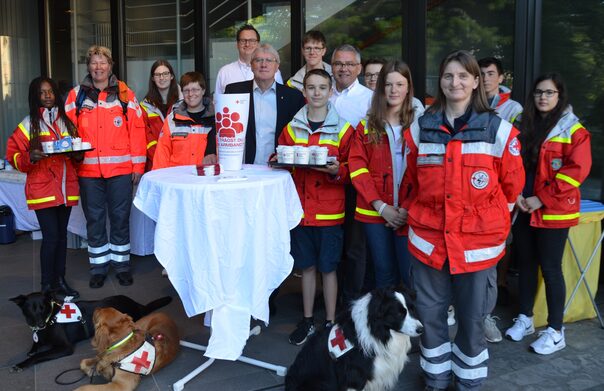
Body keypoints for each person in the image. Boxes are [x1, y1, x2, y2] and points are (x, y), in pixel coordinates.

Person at [400, 50, 524, 390]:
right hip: (429, 243)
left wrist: (493, 222)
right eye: (448, 76)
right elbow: (410, 181)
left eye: (463, 76)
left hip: (476, 246)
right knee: (430, 317)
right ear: (440, 82)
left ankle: (468, 382)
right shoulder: (420, 128)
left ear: (475, 81)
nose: (455, 82)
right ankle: (436, 378)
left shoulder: (499, 131)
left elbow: (512, 188)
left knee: (471, 320)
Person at [505, 73, 591, 355]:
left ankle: (556, 331)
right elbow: (509, 161)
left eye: (549, 93)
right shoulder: (521, 122)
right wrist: (515, 194)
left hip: (553, 210)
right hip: (522, 207)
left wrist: (540, 199)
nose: (543, 97)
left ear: (559, 96)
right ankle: (526, 319)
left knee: (551, 269)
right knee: (526, 264)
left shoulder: (574, 129)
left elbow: (576, 171)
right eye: (539, 92)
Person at [276, 69, 354, 345]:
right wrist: (278, 159)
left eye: (322, 88)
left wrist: (337, 171)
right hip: (301, 211)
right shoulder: (291, 127)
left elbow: (352, 168)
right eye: (311, 88)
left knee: (328, 268)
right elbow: (279, 156)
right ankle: (308, 320)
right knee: (306, 267)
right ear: (304, 92)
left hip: (330, 213)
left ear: (330, 91)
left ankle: (331, 322)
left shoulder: (344, 128)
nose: (317, 93)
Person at [65, 45, 146, 289]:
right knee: (95, 219)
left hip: (121, 171)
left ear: (110, 66)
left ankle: (121, 265)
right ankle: (98, 267)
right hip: (88, 171)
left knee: (121, 218)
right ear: (88, 66)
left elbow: (137, 131)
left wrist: (138, 166)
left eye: (103, 62)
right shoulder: (76, 95)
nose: (98, 67)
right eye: (94, 62)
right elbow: (67, 132)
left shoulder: (124, 94)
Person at [349, 60, 423, 288]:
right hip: (374, 212)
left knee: (410, 274)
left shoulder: (420, 124)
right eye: (388, 85)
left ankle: (414, 323)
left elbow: (426, 171)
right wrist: (382, 207)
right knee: (383, 273)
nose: (394, 90)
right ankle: (387, 323)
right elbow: (358, 169)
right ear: (381, 88)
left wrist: (405, 209)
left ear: (409, 87)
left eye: (400, 84)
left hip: (409, 212)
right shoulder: (366, 126)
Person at [6, 76, 81, 298]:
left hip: (65, 189)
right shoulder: (28, 124)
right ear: (35, 97)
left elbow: (77, 150)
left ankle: (60, 280)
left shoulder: (66, 122)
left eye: (50, 91)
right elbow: (13, 155)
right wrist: (30, 157)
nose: (47, 96)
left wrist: (77, 155)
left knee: (61, 238)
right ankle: (47, 285)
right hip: (42, 190)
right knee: (51, 237)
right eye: (42, 92)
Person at [477, 56, 525, 343]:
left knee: (494, 259)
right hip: (471, 196)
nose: (484, 78)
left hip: (498, 195)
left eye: (490, 73)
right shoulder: (467, 103)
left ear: (501, 76)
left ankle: (486, 314)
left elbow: (515, 153)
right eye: (480, 73)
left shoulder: (513, 109)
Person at [329, 44, 374, 305]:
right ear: (331, 67)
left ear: (359, 68)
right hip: (326, 180)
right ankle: (332, 300)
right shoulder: (322, 94)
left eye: (349, 64)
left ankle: (353, 302)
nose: (343, 68)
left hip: (356, 181)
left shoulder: (369, 99)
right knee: (333, 246)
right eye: (338, 63)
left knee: (356, 247)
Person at [224, 44, 305, 164]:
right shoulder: (234, 91)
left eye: (269, 60)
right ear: (251, 65)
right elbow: (220, 126)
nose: (263, 65)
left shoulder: (293, 97)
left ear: (277, 66)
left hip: (278, 167)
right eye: (258, 60)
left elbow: (299, 134)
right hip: (242, 166)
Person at [152, 71, 216, 169]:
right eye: (186, 90)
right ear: (182, 92)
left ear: (203, 91)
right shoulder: (172, 119)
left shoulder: (216, 119)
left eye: (195, 90)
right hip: (177, 179)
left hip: (205, 178)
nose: (190, 94)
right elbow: (162, 153)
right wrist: (158, 178)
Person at [215, 24, 283, 94]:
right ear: (237, 44)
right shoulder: (224, 72)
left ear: (258, 44)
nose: (247, 44)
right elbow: (218, 102)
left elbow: (279, 97)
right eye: (243, 40)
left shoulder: (271, 71)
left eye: (252, 40)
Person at [140, 59, 181, 172]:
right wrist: (161, 160)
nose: (162, 78)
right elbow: (146, 140)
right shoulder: (144, 107)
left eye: (165, 74)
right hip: (155, 164)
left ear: (171, 76)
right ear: (153, 78)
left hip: (180, 164)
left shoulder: (183, 103)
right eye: (157, 75)